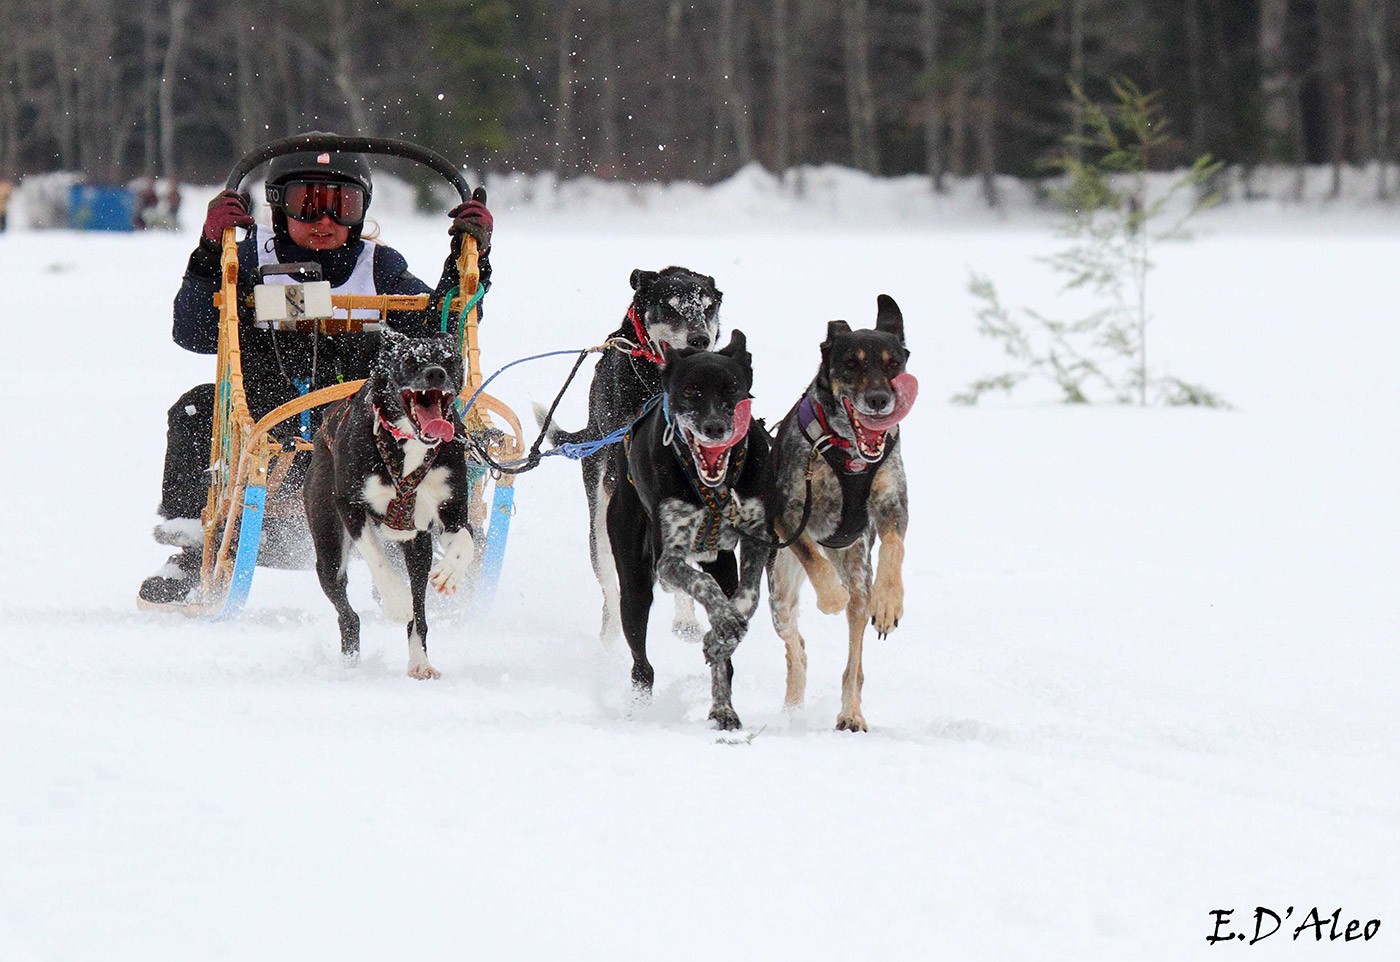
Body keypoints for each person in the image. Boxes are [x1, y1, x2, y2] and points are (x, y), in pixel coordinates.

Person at [139, 135, 493, 605]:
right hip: (263, 424)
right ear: (277, 207)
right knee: (197, 408)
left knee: (429, 418)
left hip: (362, 440)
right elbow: (194, 333)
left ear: (361, 212)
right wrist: (208, 253)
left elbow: (439, 332)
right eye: (307, 205)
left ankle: (421, 545)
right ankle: (191, 548)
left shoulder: (379, 267)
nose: (325, 221)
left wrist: (469, 262)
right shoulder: (248, 260)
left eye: (342, 206)